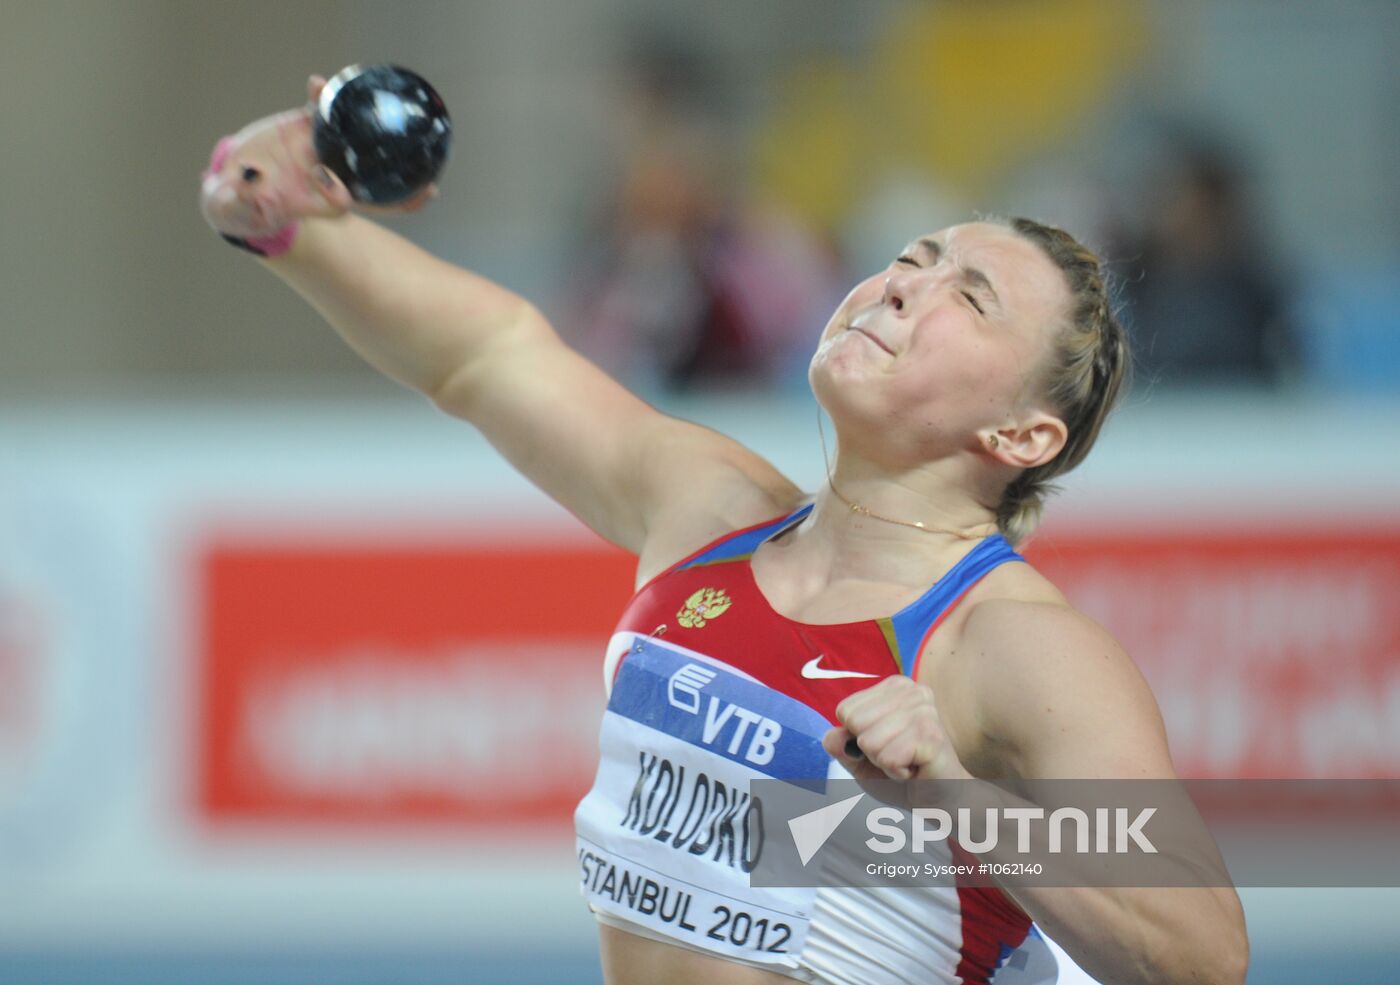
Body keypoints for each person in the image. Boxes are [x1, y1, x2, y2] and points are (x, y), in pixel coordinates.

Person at [201, 76, 1248, 985]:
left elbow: (1202, 953)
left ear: (1020, 431)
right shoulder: (709, 510)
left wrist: (959, 796)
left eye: (965, 299)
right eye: (910, 258)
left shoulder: (1013, 646)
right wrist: (290, 224)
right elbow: (486, 359)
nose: (899, 286)